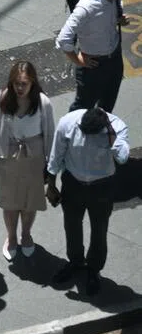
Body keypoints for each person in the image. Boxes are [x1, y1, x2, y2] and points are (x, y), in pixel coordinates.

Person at [46, 106, 131, 295]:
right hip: (73, 184)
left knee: (99, 230)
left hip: (102, 187)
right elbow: (56, 155)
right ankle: (75, 262)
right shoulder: (68, 122)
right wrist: (51, 185)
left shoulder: (117, 128)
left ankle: (94, 270)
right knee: (72, 225)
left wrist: (111, 138)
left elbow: (123, 157)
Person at [0, 61, 56, 261]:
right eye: (16, 83)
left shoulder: (42, 103)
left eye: (24, 83)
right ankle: (12, 236)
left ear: (32, 83)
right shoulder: (0, 99)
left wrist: (51, 164)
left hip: (34, 156)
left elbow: (50, 134)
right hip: (9, 155)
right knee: (10, 202)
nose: (20, 88)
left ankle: (26, 234)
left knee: (29, 202)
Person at [56, 0, 129, 113]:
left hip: (114, 59)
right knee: (83, 107)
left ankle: (101, 131)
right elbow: (63, 38)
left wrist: (119, 20)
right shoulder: (87, 7)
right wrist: (77, 60)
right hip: (93, 65)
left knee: (108, 103)